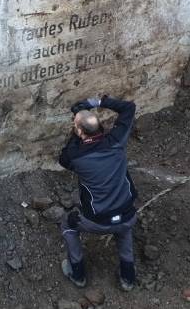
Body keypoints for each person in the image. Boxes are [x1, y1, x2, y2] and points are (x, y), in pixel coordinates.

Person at [58, 95, 138, 291]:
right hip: (127, 215)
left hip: (97, 221)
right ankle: (128, 278)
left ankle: (78, 274)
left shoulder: (76, 156)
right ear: (100, 127)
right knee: (124, 228)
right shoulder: (117, 140)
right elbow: (129, 107)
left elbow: (64, 158)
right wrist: (97, 103)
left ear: (79, 131)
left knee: (67, 223)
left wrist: (76, 130)